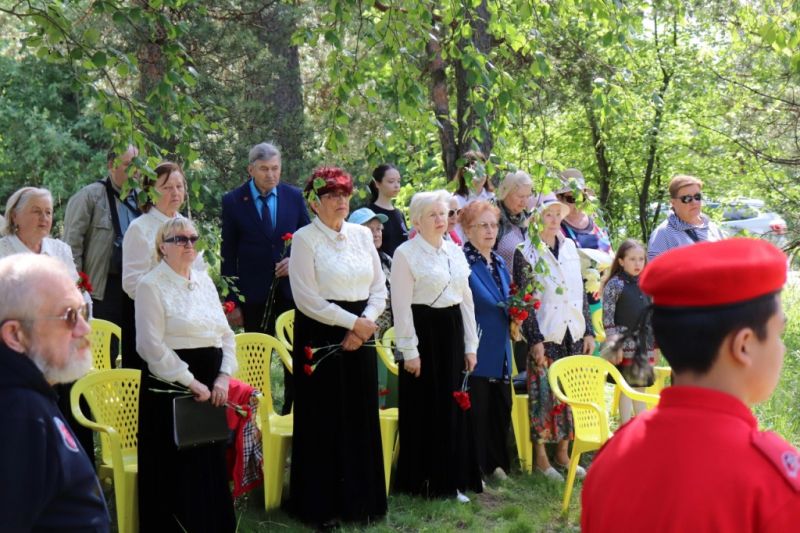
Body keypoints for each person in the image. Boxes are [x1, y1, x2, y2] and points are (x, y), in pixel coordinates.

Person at [582, 238, 800, 532]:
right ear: (744, 345)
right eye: (778, 334)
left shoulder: (612, 458)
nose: (781, 349)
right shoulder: (772, 484)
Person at [287, 167, 387, 528]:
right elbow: (306, 299)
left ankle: (363, 502)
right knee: (324, 417)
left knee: (360, 413)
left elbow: (379, 288)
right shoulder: (304, 239)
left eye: (345, 194)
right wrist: (351, 323)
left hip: (361, 333)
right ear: (315, 202)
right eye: (332, 195)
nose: (341, 201)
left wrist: (365, 325)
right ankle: (322, 505)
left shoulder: (362, 235)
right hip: (320, 334)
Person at [135, 218, 238, 532]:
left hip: (211, 385)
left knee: (209, 460)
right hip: (171, 386)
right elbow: (150, 346)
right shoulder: (150, 285)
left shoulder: (204, 280)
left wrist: (223, 377)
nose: (189, 244)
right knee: (177, 466)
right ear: (162, 246)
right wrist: (190, 382)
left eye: (192, 238)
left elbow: (226, 335)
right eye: (180, 239)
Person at [0, 254, 109, 531]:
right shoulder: (18, 415)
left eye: (82, 311)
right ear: (15, 335)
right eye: (69, 316)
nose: (85, 329)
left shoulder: (30, 397)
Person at [392, 190, 482, 503]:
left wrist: (471, 345)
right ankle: (424, 480)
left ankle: (453, 478)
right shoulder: (405, 253)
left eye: (443, 213)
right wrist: (409, 350)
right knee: (425, 405)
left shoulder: (455, 250)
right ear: (417, 220)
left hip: (453, 330)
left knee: (453, 404)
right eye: (432, 214)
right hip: (423, 332)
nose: (440, 219)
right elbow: (401, 306)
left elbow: (466, 299)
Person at [0, 186, 95, 457]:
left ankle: (76, 469)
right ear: (15, 216)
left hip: (61, 343)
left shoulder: (60, 250)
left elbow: (79, 296)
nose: (44, 218)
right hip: (21, 349)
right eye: (36, 211)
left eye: (49, 212)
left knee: (71, 413)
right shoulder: (3, 252)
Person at [221, 142, 309, 414]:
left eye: (275, 168)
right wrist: (232, 300)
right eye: (264, 169)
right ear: (251, 169)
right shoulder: (233, 201)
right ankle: (255, 417)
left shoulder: (293, 196)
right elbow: (228, 253)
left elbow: (309, 239)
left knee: (294, 357)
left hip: (290, 292)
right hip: (253, 295)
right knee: (256, 359)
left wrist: (294, 260)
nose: (271, 175)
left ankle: (294, 413)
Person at [513, 194, 595, 481]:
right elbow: (524, 300)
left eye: (558, 214)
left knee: (570, 395)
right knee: (543, 396)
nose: (554, 219)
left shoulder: (571, 246)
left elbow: (581, 291)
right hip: (546, 333)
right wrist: (534, 338)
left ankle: (564, 452)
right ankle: (541, 458)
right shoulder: (526, 251)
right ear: (536, 218)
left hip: (573, 331)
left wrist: (588, 330)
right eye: (548, 214)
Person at [63, 145, 141, 361]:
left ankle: (132, 395)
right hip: (103, 289)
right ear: (110, 165)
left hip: (137, 289)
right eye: (128, 165)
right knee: (103, 354)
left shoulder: (145, 200)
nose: (135, 171)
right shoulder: (89, 197)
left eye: (137, 166)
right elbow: (71, 248)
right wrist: (77, 290)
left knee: (137, 353)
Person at [122, 161, 201, 369]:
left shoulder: (186, 225)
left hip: (186, 322)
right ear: (151, 192)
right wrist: (165, 293)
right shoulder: (139, 228)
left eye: (179, 186)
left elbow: (199, 270)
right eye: (167, 188)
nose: (175, 192)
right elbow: (131, 283)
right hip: (152, 323)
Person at [460, 200, 513, 481]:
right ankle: (476, 467)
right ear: (468, 230)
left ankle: (495, 464)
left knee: (500, 407)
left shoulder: (500, 261)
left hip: (501, 346)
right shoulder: (462, 260)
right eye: (483, 225)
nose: (490, 231)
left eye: (494, 225)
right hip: (477, 343)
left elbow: (508, 298)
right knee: (477, 409)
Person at [601, 239, 656, 423]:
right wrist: (614, 345)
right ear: (621, 261)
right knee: (627, 388)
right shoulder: (615, 285)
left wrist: (654, 345)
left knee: (640, 389)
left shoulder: (648, 284)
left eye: (641, 259)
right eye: (632, 259)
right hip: (624, 346)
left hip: (644, 345)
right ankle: (625, 426)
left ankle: (641, 428)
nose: (638, 263)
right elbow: (607, 318)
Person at [648, 174, 725, 261]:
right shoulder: (663, 234)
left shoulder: (711, 227)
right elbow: (655, 271)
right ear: (673, 202)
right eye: (687, 199)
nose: (694, 202)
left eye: (697, 197)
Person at [348, 207, 393, 337]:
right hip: (365, 332)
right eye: (369, 230)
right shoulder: (350, 263)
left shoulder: (386, 259)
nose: (376, 234)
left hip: (392, 333)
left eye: (378, 229)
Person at [494, 170, 533, 274]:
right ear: (505, 193)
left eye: (528, 196)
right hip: (504, 287)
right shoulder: (493, 220)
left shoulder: (528, 219)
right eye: (520, 196)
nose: (525, 202)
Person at [452, 151, 494, 241]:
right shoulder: (456, 201)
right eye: (475, 170)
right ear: (464, 173)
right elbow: (454, 233)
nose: (480, 175)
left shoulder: (492, 198)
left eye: (483, 170)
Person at [368, 163, 408, 257]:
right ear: (377, 184)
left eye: (398, 181)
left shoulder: (399, 214)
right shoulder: (369, 213)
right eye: (391, 181)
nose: (396, 185)